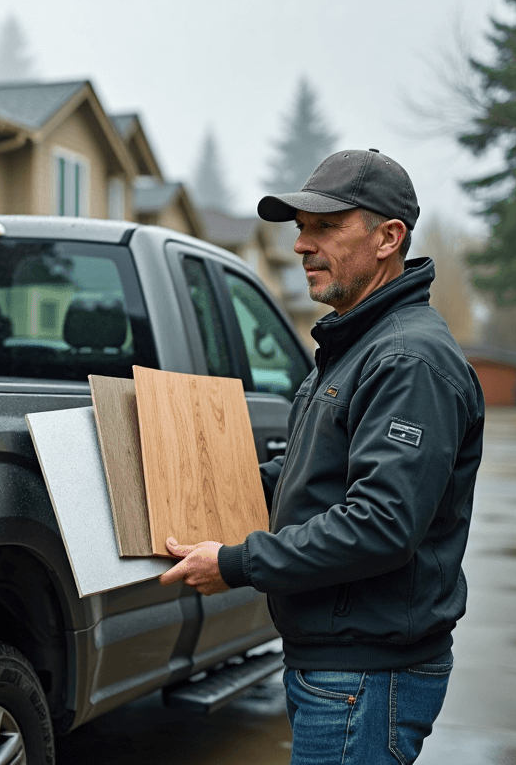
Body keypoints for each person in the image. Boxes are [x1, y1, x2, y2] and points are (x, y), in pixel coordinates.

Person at [159, 149, 485, 765]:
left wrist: (235, 563)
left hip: (365, 674)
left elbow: (381, 525)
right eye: (300, 229)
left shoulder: (407, 361)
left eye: (326, 227)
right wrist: (208, 492)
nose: (301, 246)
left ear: (389, 238)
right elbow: (319, 477)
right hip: (340, 664)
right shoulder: (355, 343)